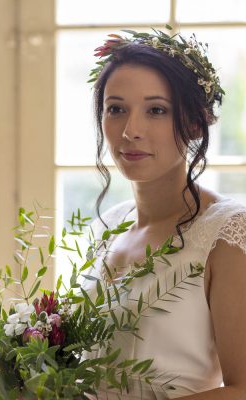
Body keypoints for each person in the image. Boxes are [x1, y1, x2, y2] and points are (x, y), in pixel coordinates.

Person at [82, 27, 246, 399]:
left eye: (156, 110)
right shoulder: (106, 228)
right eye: (116, 109)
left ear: (192, 122)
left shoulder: (228, 234)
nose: (131, 131)